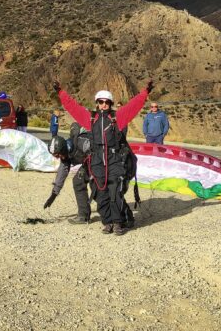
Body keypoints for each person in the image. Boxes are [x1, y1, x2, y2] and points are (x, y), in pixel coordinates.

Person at [54, 79, 152, 235]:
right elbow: (73, 107)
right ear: (97, 103)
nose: (104, 105)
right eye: (101, 102)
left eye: (107, 102)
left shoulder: (117, 118)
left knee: (115, 191)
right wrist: (61, 93)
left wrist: (145, 93)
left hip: (114, 159)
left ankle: (118, 222)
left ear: (111, 103)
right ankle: (107, 222)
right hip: (97, 160)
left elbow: (133, 106)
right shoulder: (90, 118)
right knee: (99, 192)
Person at [43, 123, 93, 224]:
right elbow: (62, 173)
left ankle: (123, 217)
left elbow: (96, 152)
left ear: (62, 149)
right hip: (88, 164)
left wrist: (91, 172)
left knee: (99, 190)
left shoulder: (81, 142)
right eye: (55, 156)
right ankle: (83, 216)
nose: (57, 157)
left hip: (99, 163)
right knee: (78, 182)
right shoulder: (65, 154)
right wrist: (53, 195)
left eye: (57, 155)